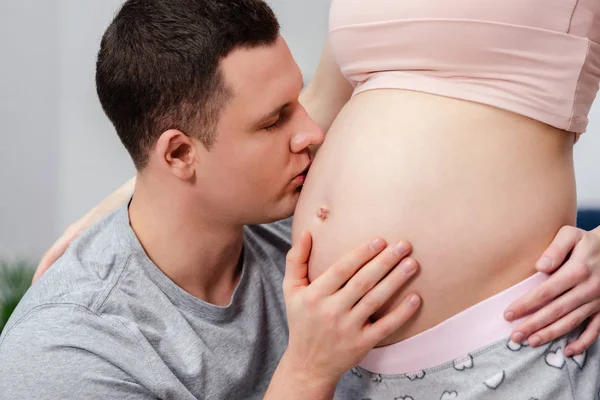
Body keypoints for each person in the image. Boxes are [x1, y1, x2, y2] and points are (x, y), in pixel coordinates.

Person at [31, 0, 600, 398]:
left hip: (512, 335)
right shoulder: (74, 341)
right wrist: (116, 207)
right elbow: (319, 102)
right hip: (352, 373)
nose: (309, 136)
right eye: (278, 120)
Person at [0, 1, 424, 399]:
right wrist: (308, 370)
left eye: (299, 100)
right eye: (274, 120)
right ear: (180, 155)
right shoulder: (68, 351)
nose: (312, 133)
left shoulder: (285, 224)